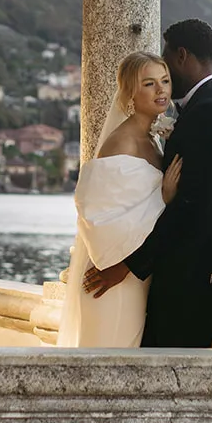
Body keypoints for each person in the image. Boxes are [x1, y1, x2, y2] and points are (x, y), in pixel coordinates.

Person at [84, 18, 212, 347]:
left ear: (181, 56)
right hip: (186, 272)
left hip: (196, 277)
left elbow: (192, 207)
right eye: (151, 83)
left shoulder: (211, 111)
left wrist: (130, 266)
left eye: (165, 73)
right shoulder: (209, 106)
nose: (163, 86)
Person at [57, 52, 182, 348]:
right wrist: (164, 198)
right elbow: (96, 216)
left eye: (165, 81)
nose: (161, 90)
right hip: (112, 277)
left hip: (135, 276)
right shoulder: (122, 141)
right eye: (149, 84)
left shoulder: (152, 139)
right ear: (130, 92)